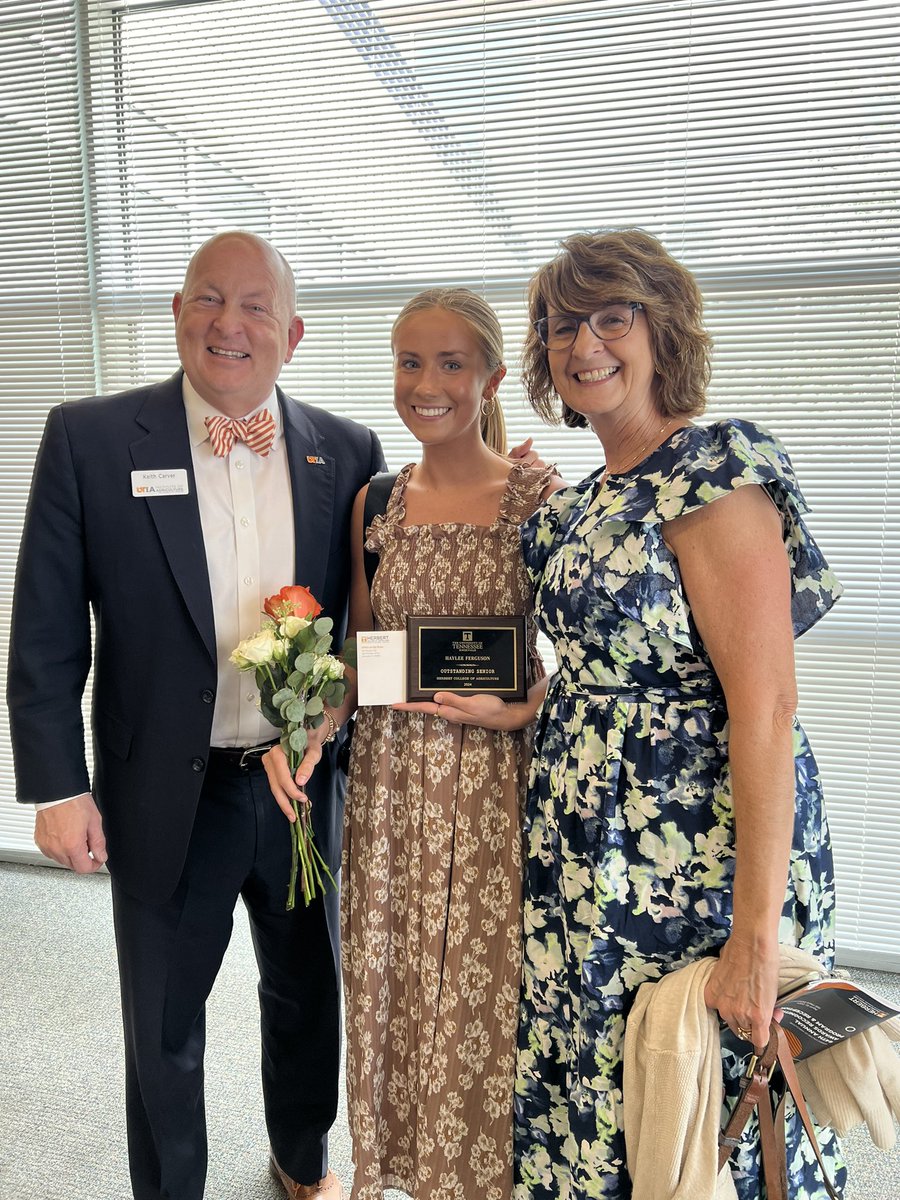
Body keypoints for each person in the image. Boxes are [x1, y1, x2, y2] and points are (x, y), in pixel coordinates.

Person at [7, 231, 387, 1200]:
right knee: (165, 1019)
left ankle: (302, 1162)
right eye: (209, 300)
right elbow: (46, 631)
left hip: (299, 787)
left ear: (292, 334)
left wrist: (333, 721)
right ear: (178, 312)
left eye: (256, 306)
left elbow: (370, 626)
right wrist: (57, 785)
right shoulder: (88, 440)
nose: (230, 323)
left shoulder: (347, 453)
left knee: (309, 996)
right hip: (162, 790)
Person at [511, 229, 845, 1199]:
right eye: (562, 324)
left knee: (709, 1101)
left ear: (661, 326)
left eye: (612, 316)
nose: (585, 345)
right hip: (582, 860)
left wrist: (752, 937)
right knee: (609, 1096)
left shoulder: (713, 469)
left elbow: (769, 707)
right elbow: (570, 681)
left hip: (694, 865)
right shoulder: (574, 508)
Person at [264, 288, 564, 1200]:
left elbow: (573, 657)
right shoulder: (377, 502)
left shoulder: (535, 496)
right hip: (391, 788)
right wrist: (308, 733)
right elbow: (369, 657)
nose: (425, 383)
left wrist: (522, 708)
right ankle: (398, 1167)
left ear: (491, 378)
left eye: (449, 364)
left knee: (483, 991)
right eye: (409, 361)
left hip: (490, 789)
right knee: (391, 987)